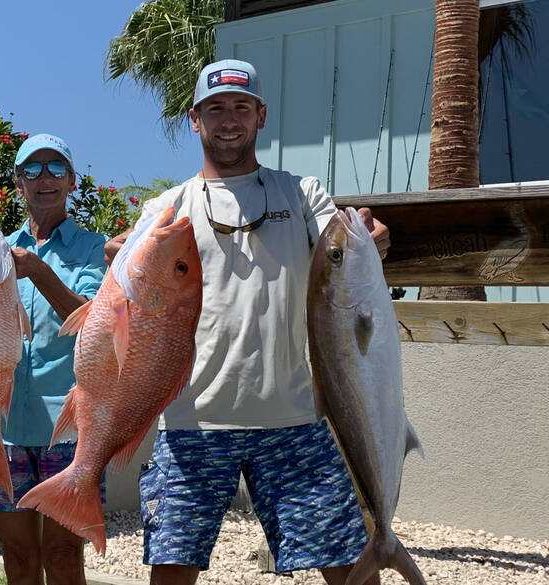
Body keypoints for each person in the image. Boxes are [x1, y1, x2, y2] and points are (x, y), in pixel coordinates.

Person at [105, 60, 391, 585]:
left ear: (261, 115)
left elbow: (346, 246)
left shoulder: (302, 194)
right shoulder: (165, 208)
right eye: (215, 109)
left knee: (351, 573)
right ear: (195, 120)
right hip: (191, 423)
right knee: (170, 571)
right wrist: (118, 266)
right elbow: (123, 300)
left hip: (295, 418)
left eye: (241, 107)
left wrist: (369, 239)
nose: (229, 120)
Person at [0, 134, 108, 585]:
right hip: (3, 428)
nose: (43, 178)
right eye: (32, 169)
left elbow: (89, 320)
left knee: (64, 553)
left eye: (55, 168)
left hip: (68, 428)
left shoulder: (94, 248)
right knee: (15, 554)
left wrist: (39, 272)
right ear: (18, 182)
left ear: (71, 181)